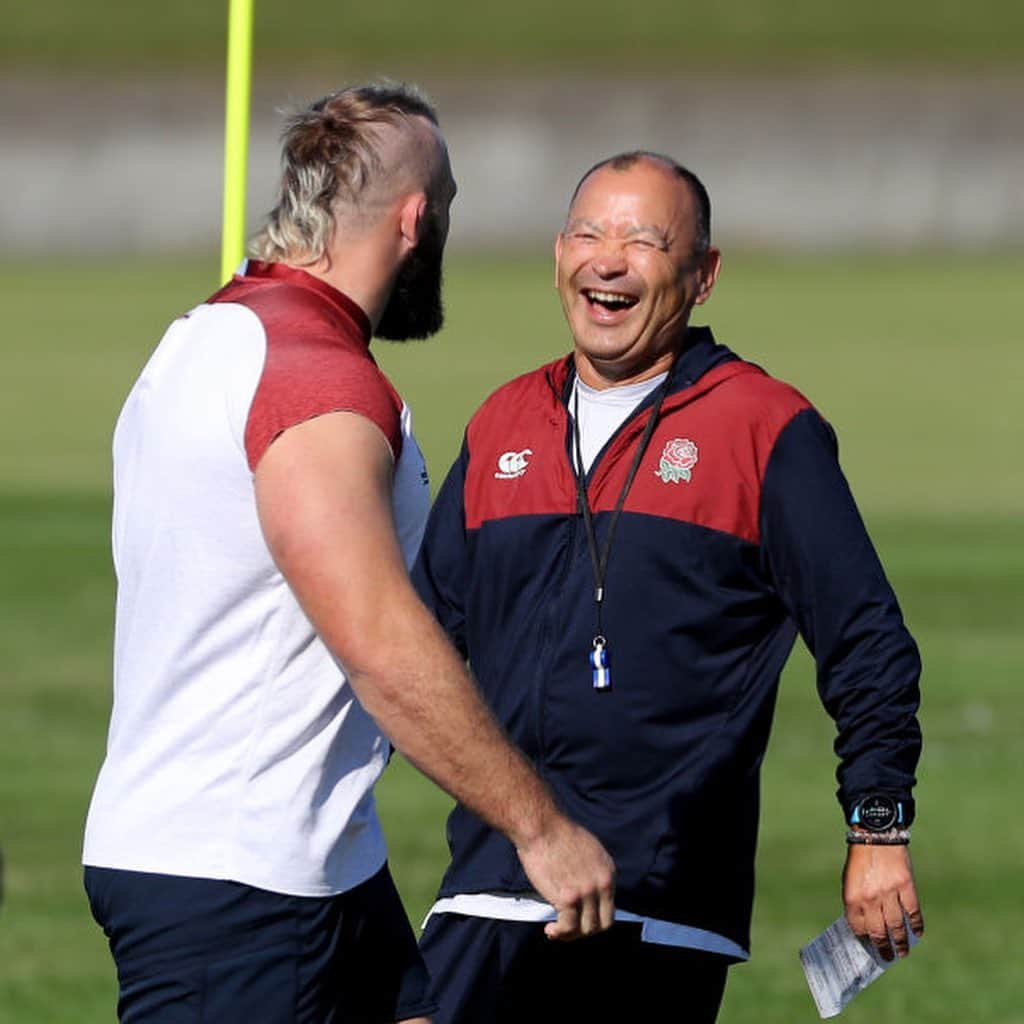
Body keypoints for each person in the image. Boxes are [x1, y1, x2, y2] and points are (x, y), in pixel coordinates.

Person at [82, 83, 614, 1024]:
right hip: (241, 884)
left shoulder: (195, 341)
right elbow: (375, 635)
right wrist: (539, 827)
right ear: (414, 220)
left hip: (313, 866)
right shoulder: (320, 388)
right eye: (446, 212)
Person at [412, 151, 925, 1023]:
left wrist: (877, 831)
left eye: (643, 241)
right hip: (493, 880)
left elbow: (866, 641)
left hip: (654, 902)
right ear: (557, 254)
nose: (607, 260)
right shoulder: (504, 419)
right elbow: (417, 642)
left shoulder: (765, 428)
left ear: (703, 275)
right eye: (587, 233)